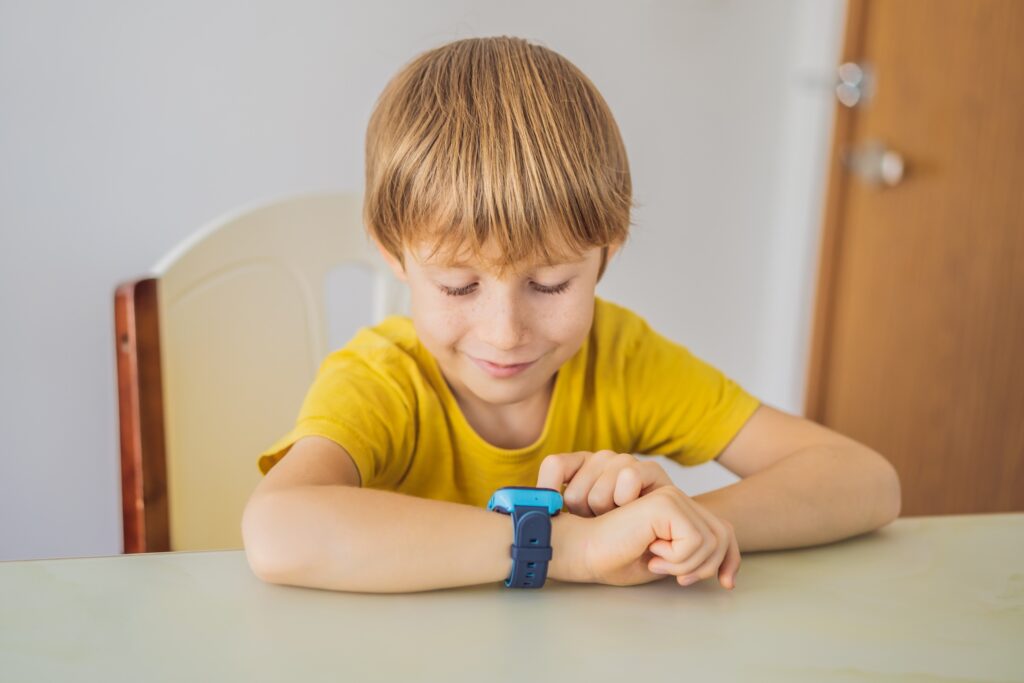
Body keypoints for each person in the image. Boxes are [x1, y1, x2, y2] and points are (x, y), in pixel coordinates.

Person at [241, 36, 901, 594]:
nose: (505, 331)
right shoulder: (381, 380)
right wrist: (573, 549)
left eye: (550, 284)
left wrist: (664, 530)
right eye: (458, 285)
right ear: (393, 254)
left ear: (606, 253)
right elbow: (277, 529)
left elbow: (867, 482)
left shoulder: (621, 359)